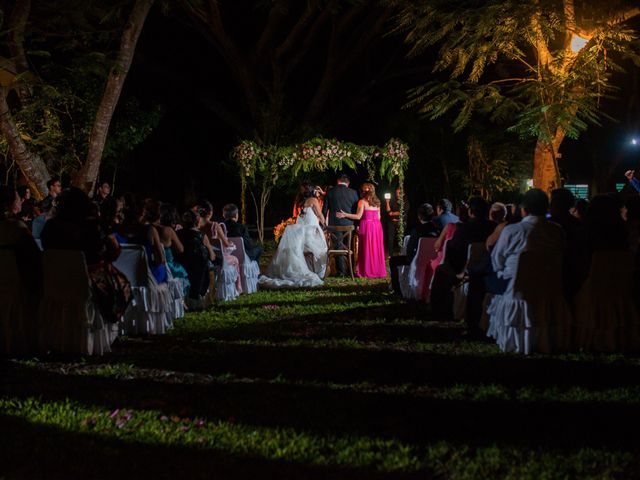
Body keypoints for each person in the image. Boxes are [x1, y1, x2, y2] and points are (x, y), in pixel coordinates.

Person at [41, 187, 131, 325]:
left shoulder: (49, 227)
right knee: (120, 283)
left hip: (55, 281)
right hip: (86, 281)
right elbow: (113, 254)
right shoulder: (91, 227)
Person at [260, 183, 328, 288]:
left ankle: (313, 269)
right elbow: (319, 214)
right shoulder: (313, 200)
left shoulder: (302, 202)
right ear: (312, 191)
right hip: (310, 235)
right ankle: (319, 271)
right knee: (323, 247)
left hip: (302, 236)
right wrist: (325, 225)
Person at [336, 182, 386, 278]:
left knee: (366, 248)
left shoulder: (362, 202)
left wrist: (345, 214)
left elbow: (358, 216)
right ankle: (376, 270)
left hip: (367, 226)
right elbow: (379, 217)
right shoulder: (377, 202)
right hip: (376, 227)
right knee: (376, 248)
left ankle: (366, 270)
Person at [389, 202, 439, 294]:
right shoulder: (438, 230)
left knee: (393, 261)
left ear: (419, 217)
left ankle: (397, 290)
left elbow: (410, 250)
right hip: (434, 259)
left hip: (418, 260)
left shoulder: (417, 230)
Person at [322, 173, 359, 276]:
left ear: (338, 181)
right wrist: (357, 224)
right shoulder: (353, 192)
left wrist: (324, 224)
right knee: (350, 247)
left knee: (338, 247)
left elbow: (324, 210)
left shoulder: (330, 192)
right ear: (348, 183)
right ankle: (350, 270)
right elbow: (357, 210)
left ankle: (341, 272)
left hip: (335, 224)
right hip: (350, 225)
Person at [177, 210, 215, 307]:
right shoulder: (201, 235)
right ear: (197, 222)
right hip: (199, 269)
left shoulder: (177, 234)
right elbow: (212, 256)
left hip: (182, 266)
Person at [384, 187, 408, 255]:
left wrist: (393, 213)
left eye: (399, 193)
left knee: (400, 238)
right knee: (390, 238)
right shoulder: (393, 200)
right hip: (392, 222)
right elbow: (388, 211)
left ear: (403, 194)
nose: (397, 194)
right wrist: (387, 202)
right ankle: (390, 255)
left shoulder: (405, 201)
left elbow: (403, 212)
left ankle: (401, 253)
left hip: (401, 222)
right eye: (396, 193)